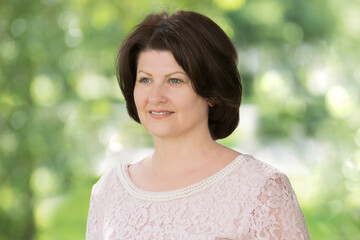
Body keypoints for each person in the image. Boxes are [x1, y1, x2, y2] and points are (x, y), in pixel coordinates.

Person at [86, 10, 311, 240]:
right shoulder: (109, 192)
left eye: (175, 80)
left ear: (212, 92)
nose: (156, 96)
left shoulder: (260, 189)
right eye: (145, 79)